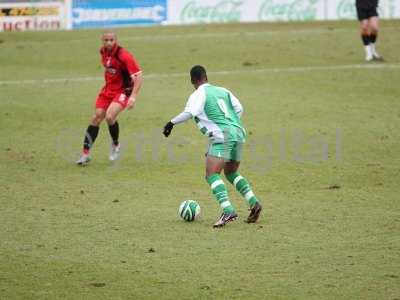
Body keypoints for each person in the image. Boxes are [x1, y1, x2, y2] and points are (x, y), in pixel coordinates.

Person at [163, 65, 262, 228]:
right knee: (231, 173)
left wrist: (171, 123)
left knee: (211, 174)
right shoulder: (223, 91)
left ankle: (228, 210)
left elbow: (190, 112)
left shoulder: (198, 94)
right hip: (237, 132)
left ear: (192, 80)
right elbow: (239, 108)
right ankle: (254, 203)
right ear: (206, 77)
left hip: (223, 135)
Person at [76, 31, 143, 165]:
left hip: (123, 90)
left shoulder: (123, 55)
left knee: (110, 116)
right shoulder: (103, 52)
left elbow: (139, 75)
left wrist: (133, 97)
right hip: (108, 90)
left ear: (116, 40)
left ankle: (115, 145)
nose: (108, 43)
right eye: (106, 40)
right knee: (96, 117)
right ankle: (85, 154)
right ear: (102, 41)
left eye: (111, 40)